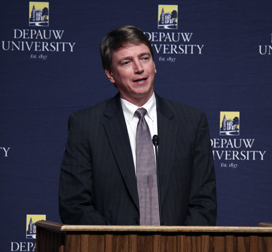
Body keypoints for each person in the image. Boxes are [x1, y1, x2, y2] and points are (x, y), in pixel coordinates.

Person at [59, 25, 217, 226]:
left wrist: (180, 249)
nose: (139, 68)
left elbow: (204, 203)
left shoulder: (192, 122)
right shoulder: (86, 125)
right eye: (126, 62)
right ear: (110, 74)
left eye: (144, 58)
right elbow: (74, 204)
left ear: (154, 65)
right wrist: (118, 247)